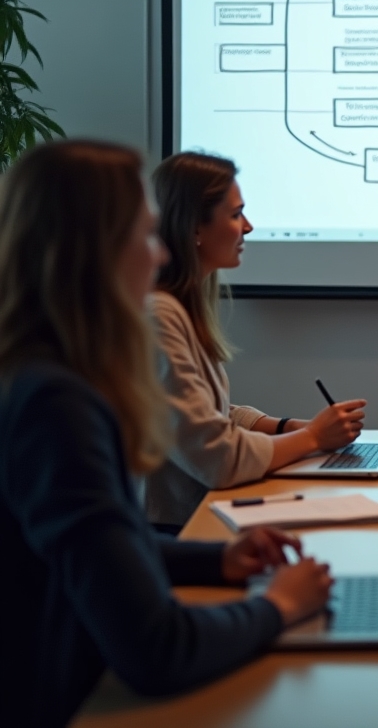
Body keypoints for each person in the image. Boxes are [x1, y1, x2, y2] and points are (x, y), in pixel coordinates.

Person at [0, 141, 333, 728]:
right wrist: (279, 606)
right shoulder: (55, 405)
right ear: (94, 251)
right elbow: (158, 647)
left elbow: (96, 552)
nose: (158, 257)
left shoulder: (43, 376)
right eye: (148, 235)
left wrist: (218, 562)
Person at [145, 151, 367, 531]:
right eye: (235, 215)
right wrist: (313, 437)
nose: (247, 227)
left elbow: (215, 413)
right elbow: (220, 458)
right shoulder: (159, 317)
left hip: (204, 516)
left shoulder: (181, 307)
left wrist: (289, 427)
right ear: (194, 228)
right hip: (179, 535)